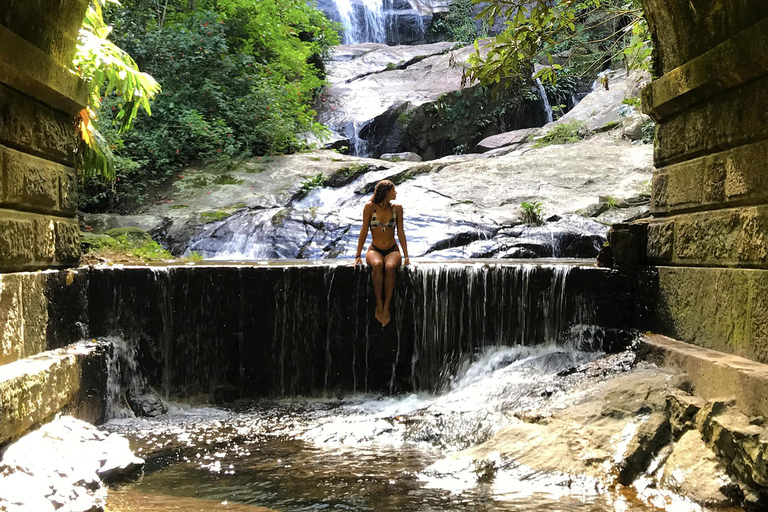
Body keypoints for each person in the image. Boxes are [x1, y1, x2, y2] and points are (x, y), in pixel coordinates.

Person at [354, 179, 410, 326]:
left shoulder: (397, 208)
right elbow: (364, 231)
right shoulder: (369, 207)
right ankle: (379, 304)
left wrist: (406, 256)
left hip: (392, 249)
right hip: (374, 249)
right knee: (378, 264)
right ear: (386, 192)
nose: (396, 192)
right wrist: (358, 255)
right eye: (393, 190)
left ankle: (387, 306)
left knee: (390, 267)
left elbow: (401, 232)